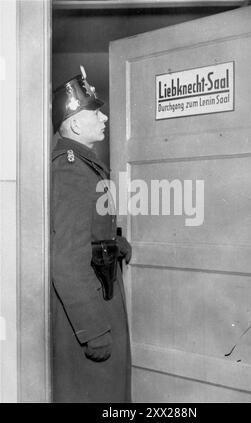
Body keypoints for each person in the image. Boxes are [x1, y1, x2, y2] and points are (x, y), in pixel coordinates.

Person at [51, 66, 132, 403]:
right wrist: (94, 331)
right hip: (88, 314)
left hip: (100, 294)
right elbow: (67, 260)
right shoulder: (70, 169)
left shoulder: (83, 164)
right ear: (73, 124)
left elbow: (86, 227)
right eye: (95, 111)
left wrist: (113, 242)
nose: (104, 117)